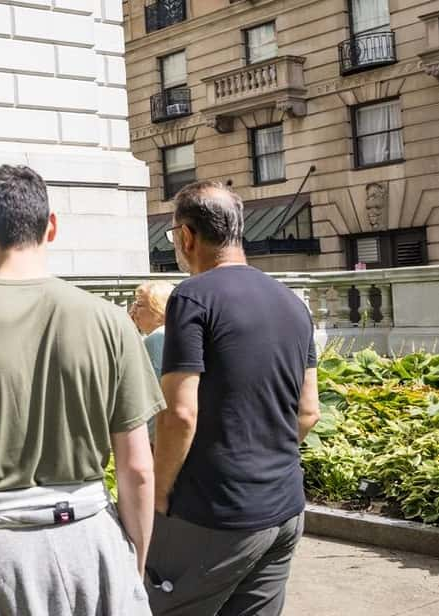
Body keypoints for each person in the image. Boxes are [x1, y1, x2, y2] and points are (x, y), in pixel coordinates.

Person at [0, 165, 161, 615]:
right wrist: (133, 564)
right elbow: (137, 467)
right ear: (51, 225)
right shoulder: (110, 321)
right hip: (89, 537)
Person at [149, 182, 321, 616]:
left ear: (187, 237)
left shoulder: (192, 296)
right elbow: (308, 412)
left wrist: (158, 492)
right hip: (284, 509)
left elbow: (180, 414)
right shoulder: (292, 303)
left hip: (213, 511)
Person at [129, 280, 175, 441]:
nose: (133, 309)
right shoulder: (171, 334)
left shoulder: (157, 338)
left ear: (159, 310)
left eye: (140, 304)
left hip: (158, 439)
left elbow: (151, 399)